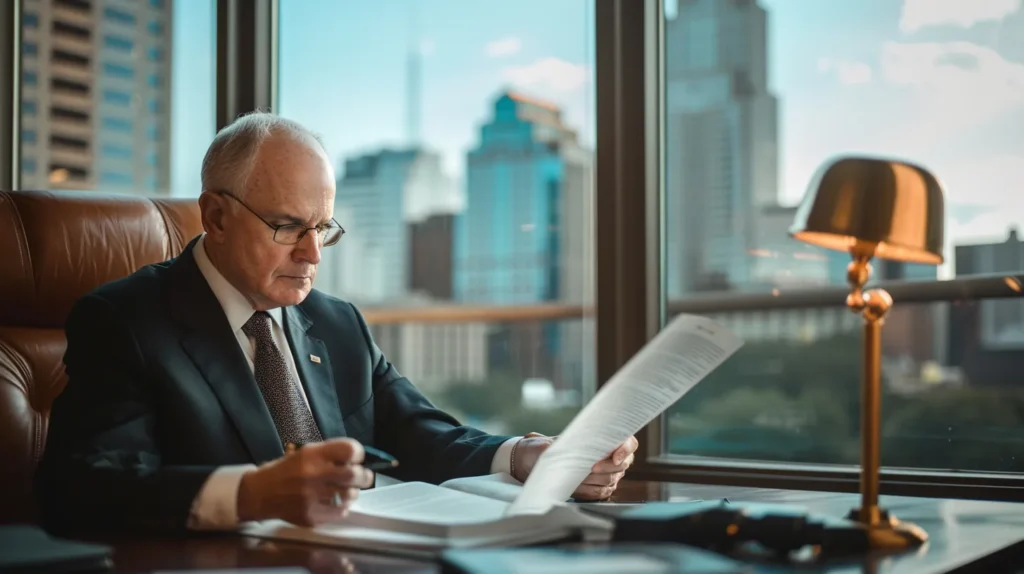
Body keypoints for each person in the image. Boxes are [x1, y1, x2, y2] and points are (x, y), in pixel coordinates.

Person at [35, 112, 638, 535]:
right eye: (287, 226)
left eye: (321, 228)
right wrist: (249, 495)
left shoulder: (336, 321)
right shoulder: (125, 321)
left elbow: (419, 433)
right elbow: (82, 489)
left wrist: (528, 455)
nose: (312, 254)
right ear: (216, 216)